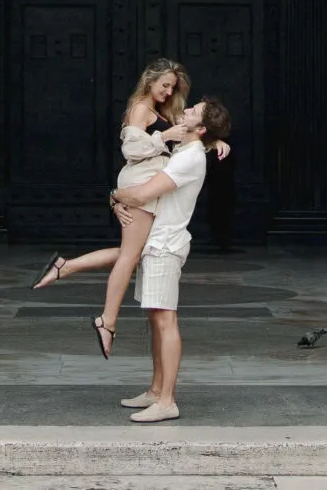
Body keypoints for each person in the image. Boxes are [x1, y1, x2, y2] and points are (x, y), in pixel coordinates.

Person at [31, 59, 225, 357]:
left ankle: (65, 267)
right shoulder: (140, 108)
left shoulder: (159, 111)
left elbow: (192, 135)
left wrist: (215, 141)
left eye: (172, 87)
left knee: (136, 251)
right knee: (131, 255)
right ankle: (106, 321)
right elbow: (131, 149)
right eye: (165, 85)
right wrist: (164, 137)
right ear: (150, 80)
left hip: (145, 184)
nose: (169, 91)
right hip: (141, 183)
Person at [105, 95, 233, 423]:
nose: (185, 110)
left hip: (165, 246)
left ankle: (167, 401)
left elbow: (143, 194)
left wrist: (114, 195)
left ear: (200, 127)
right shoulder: (186, 149)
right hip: (157, 244)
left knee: (166, 322)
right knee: (156, 322)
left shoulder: (188, 158)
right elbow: (199, 139)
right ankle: (155, 390)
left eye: (193, 111)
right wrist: (216, 140)